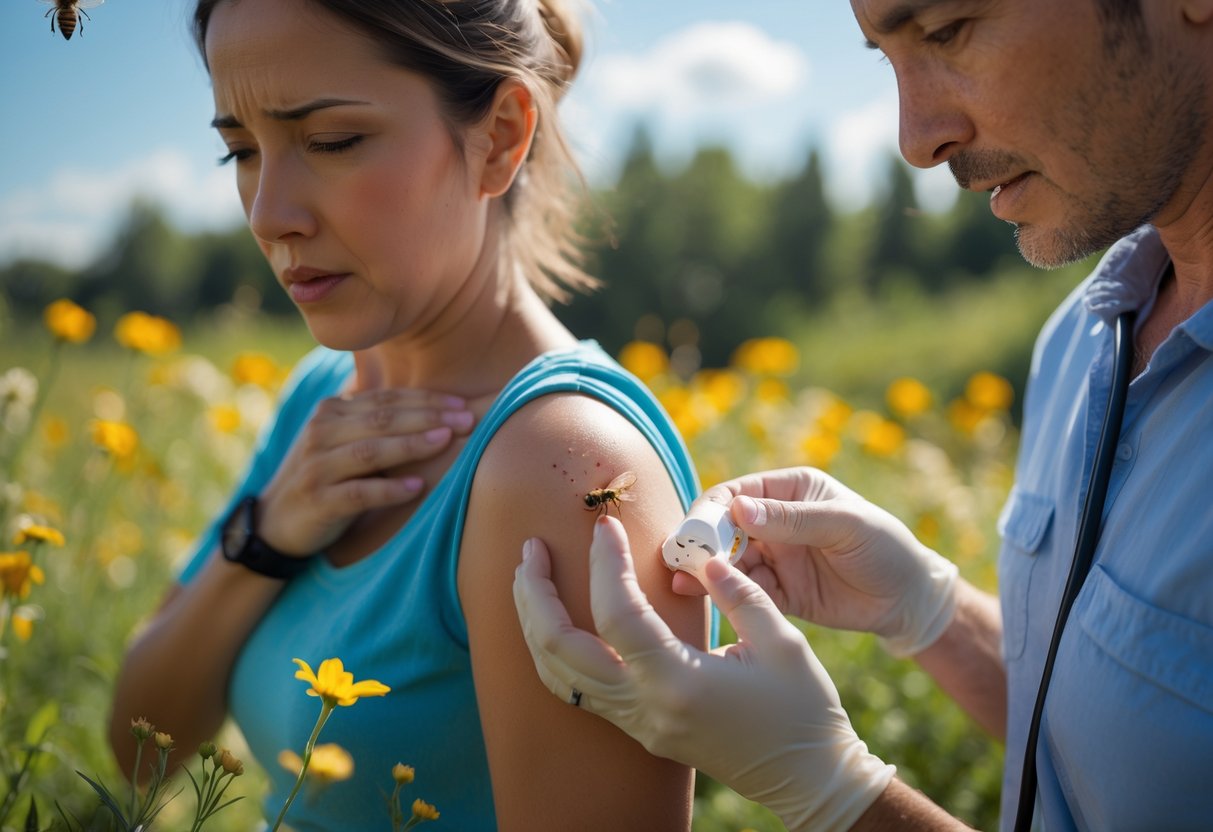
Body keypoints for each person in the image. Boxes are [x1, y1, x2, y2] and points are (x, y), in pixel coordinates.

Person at [513, 0, 1213, 829]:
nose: (915, 139)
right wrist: (930, 611)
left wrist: (836, 792)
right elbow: (1116, 754)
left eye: (947, 30)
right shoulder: (1082, 342)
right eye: (885, 58)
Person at [107, 1, 710, 829]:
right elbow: (142, 746)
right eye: (240, 150)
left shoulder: (560, 463)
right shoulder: (324, 397)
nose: (267, 213)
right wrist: (266, 538)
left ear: (499, 136)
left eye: (331, 142)